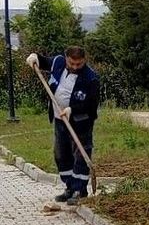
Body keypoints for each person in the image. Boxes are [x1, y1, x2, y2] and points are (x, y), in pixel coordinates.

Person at [26, 47, 100, 205]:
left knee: (80, 154)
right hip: (60, 120)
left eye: (79, 64)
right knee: (61, 154)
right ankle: (70, 187)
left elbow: (92, 105)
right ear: (66, 59)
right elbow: (43, 61)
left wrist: (72, 110)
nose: (75, 67)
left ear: (84, 60)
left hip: (81, 122)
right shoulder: (58, 63)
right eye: (72, 63)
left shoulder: (91, 78)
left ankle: (80, 190)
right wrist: (34, 58)